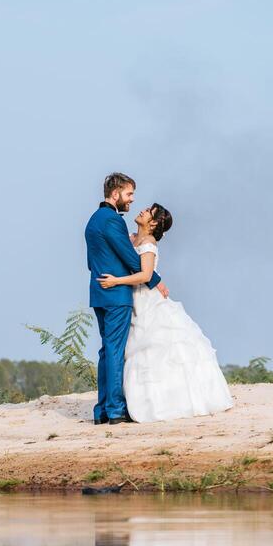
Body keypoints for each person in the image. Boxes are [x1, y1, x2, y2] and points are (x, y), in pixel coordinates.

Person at [98, 203, 235, 423]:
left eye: (148, 212)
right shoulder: (130, 237)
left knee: (158, 348)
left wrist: (116, 281)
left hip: (146, 300)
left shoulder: (149, 244)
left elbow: (145, 275)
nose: (141, 211)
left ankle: (163, 402)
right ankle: (137, 403)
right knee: (133, 350)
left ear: (152, 223)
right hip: (132, 301)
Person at [85, 173, 169, 425]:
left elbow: (91, 262)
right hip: (117, 295)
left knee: (105, 351)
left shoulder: (93, 220)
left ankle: (101, 410)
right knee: (115, 351)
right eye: (129, 194)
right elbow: (131, 259)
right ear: (115, 194)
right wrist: (156, 279)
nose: (132, 200)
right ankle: (115, 410)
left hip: (99, 291)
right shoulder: (112, 221)